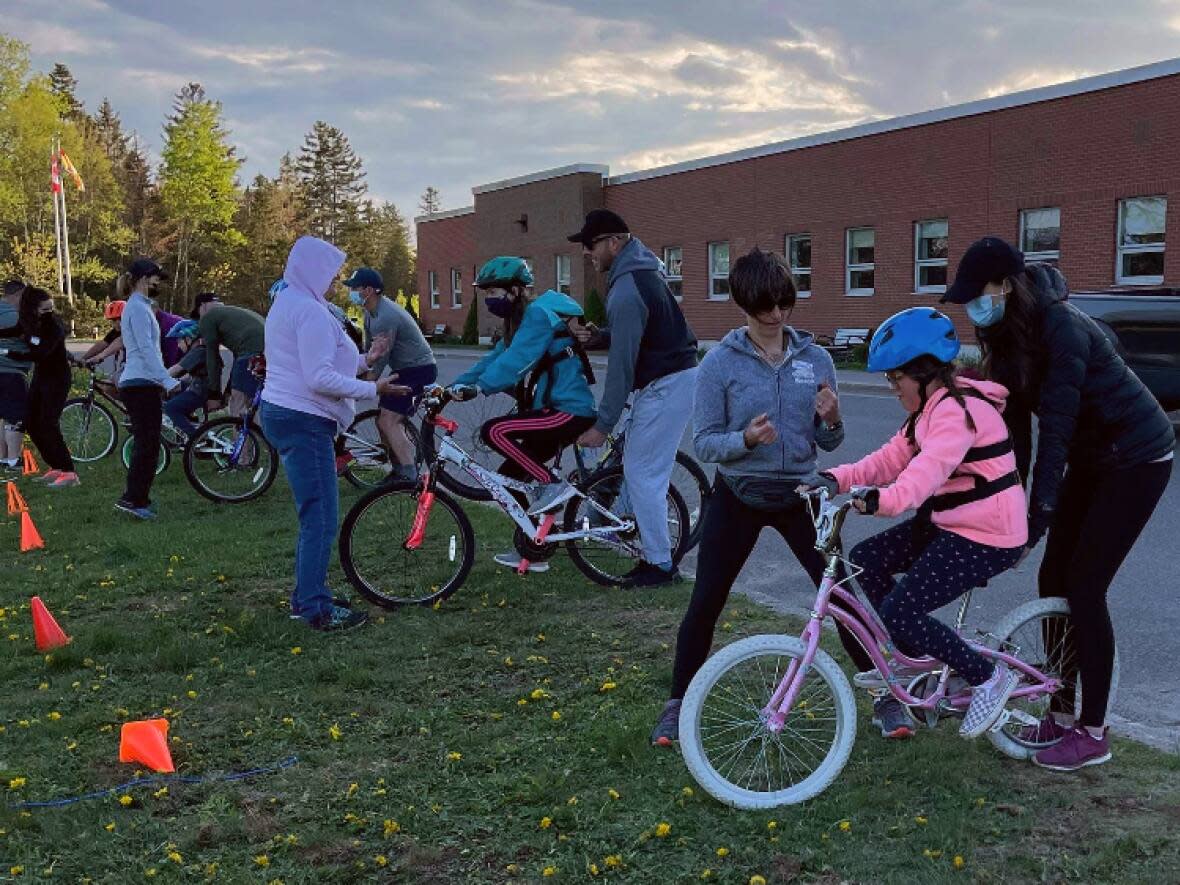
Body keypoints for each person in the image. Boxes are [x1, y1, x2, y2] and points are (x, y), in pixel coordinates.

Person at [942, 237, 1175, 771]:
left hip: (1138, 456)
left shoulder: (1062, 327)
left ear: (1003, 285)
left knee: (1087, 585)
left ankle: (1092, 731)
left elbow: (1057, 437)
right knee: (1052, 577)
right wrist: (1007, 513)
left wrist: (1037, 518)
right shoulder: (1004, 334)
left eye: (977, 295)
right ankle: (1060, 709)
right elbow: (1017, 437)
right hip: (1094, 458)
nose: (972, 307)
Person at [649, 248, 884, 746]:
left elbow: (829, 444)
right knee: (706, 599)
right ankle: (676, 705)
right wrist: (746, 441)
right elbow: (706, 442)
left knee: (841, 597)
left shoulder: (815, 358)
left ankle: (884, 693)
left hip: (801, 494)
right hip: (738, 495)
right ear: (743, 303)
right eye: (765, 306)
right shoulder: (718, 364)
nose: (776, 314)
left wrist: (833, 419)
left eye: (784, 303)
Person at [814, 307, 1029, 742]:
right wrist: (836, 478)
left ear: (925, 372)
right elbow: (892, 458)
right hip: (954, 522)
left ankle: (988, 678)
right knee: (864, 561)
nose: (892, 389)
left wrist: (882, 500)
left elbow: (922, 475)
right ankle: (922, 666)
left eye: (896, 379)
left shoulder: (959, 413)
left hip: (989, 535)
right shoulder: (928, 410)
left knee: (901, 611)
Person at [260, 236, 402, 632]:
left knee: (315, 514)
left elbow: (320, 361)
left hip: (289, 413)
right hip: (303, 419)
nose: (334, 279)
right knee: (320, 517)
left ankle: (306, 595)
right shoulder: (307, 310)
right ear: (310, 268)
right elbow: (319, 377)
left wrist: (365, 359)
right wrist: (375, 388)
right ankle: (314, 608)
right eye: (330, 271)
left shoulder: (290, 302)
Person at [569, 209, 699, 587]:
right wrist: (602, 336)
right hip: (670, 379)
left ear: (614, 242)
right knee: (637, 465)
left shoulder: (627, 289)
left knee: (644, 474)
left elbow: (622, 369)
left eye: (591, 245)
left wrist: (602, 425)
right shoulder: (642, 273)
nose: (587, 253)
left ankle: (659, 565)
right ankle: (621, 530)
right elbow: (645, 331)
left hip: (666, 385)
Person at [452, 256, 598, 573]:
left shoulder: (537, 316)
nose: (489, 299)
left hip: (568, 410)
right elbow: (493, 360)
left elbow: (515, 361)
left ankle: (550, 485)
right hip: (551, 410)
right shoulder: (518, 324)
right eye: (485, 292)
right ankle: (535, 548)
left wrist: (481, 389)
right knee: (507, 482)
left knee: (494, 431)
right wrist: (452, 387)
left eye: (495, 291)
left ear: (517, 291)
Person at [344, 266, 436, 482]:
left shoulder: (386, 316)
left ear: (368, 290)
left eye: (355, 288)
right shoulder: (370, 313)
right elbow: (371, 353)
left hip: (418, 370)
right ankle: (397, 470)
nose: (352, 293)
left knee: (389, 421)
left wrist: (363, 384)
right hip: (405, 369)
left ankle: (410, 475)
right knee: (381, 420)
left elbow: (381, 357)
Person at [116, 258, 180, 519]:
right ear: (142, 279)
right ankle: (133, 500)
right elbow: (145, 349)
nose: (157, 283)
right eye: (155, 278)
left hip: (142, 382)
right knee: (147, 445)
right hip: (140, 383)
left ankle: (137, 497)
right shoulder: (138, 309)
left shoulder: (141, 307)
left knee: (149, 444)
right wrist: (167, 381)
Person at [13, 287, 79, 487]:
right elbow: (16, 331)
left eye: (50, 309)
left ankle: (69, 472)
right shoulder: (30, 322)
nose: (48, 313)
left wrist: (16, 355)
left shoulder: (54, 326)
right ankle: (56, 466)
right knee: (31, 422)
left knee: (48, 422)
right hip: (41, 377)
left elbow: (42, 352)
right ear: (32, 309)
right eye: (44, 310)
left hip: (57, 379)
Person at [192, 293, 266, 417]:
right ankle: (256, 434)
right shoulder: (233, 313)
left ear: (202, 306)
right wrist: (227, 391)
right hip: (270, 351)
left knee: (238, 402)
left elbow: (212, 358)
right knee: (252, 403)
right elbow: (238, 360)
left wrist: (214, 394)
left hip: (251, 352)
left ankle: (238, 436)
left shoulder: (207, 317)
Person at [0, 279, 30, 472]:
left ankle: (2, 458)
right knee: (15, 418)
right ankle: (13, 460)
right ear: (18, 295)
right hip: (12, 373)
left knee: (1, 417)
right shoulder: (16, 318)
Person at [163, 319, 207, 440]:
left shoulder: (198, 352)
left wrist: (157, 378)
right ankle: (182, 433)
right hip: (199, 387)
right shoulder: (199, 351)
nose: (178, 345)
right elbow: (188, 375)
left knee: (171, 408)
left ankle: (196, 439)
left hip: (200, 391)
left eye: (179, 341)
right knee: (173, 393)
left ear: (188, 339)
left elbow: (176, 369)